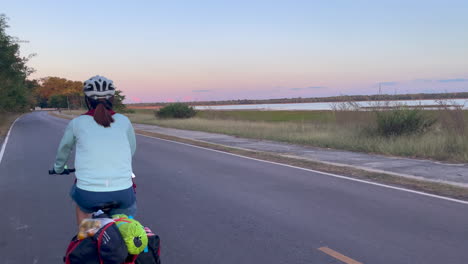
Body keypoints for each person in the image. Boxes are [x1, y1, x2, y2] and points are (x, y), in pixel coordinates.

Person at [51, 75, 137, 226]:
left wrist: (58, 168)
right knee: (125, 222)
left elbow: (63, 151)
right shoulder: (124, 121)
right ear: (112, 98)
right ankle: (126, 238)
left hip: (88, 194)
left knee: (83, 208)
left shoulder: (77, 123)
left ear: (87, 100)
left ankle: (86, 237)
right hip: (123, 192)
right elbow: (131, 150)